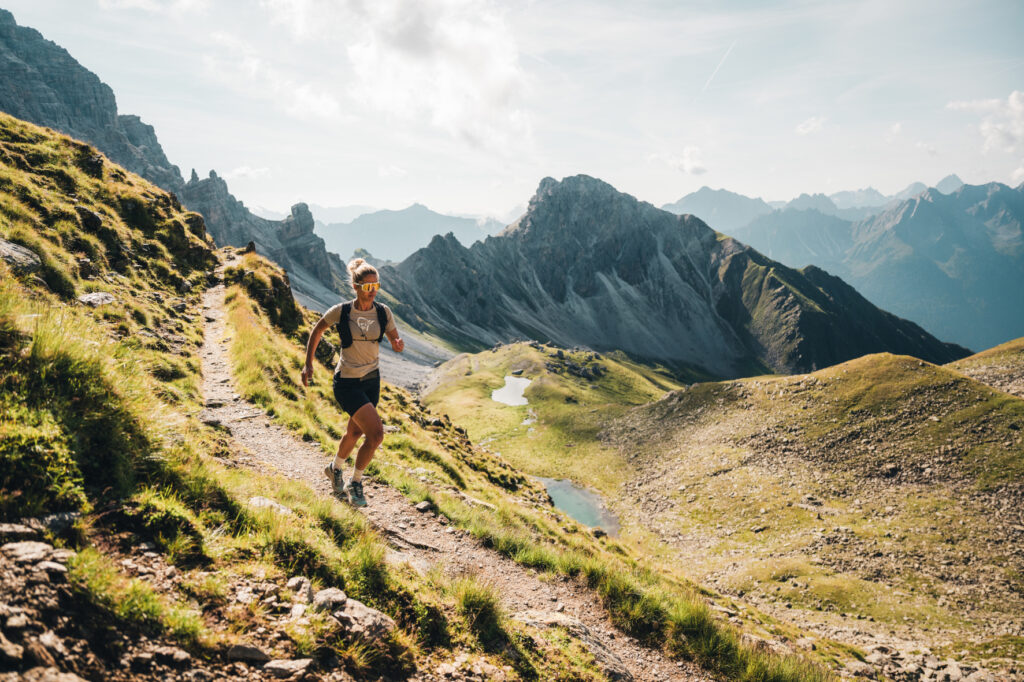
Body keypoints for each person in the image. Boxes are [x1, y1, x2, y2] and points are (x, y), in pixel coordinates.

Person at [301, 258, 404, 507]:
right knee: (376, 434)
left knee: (355, 431)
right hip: (347, 382)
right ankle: (355, 482)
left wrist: (397, 344)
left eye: (376, 286)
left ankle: (334, 468)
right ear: (356, 287)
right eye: (367, 287)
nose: (372, 291)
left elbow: (394, 338)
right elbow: (317, 330)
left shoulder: (383, 312)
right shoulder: (343, 311)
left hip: (371, 381)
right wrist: (308, 364)